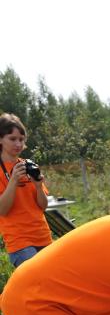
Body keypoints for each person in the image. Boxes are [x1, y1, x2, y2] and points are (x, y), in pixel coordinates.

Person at [0, 113, 52, 268]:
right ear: (0, 139)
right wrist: (14, 180)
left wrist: (38, 186)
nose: (18, 144)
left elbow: (43, 206)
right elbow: (3, 210)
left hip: (43, 236)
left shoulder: (29, 165)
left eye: (21, 139)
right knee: (39, 278)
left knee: (52, 282)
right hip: (20, 242)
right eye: (12, 138)